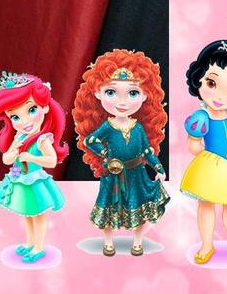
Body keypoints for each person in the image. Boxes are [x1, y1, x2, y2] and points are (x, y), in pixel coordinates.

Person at [71, 49, 170, 257]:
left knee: (139, 208)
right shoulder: (107, 126)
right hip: (113, 174)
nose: (122, 102)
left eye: (132, 93)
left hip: (137, 174)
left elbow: (147, 151)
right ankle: (108, 242)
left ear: (145, 95)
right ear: (97, 93)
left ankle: (137, 242)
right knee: (108, 208)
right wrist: (106, 155)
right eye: (111, 92)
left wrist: (158, 168)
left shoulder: (139, 128)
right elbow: (90, 140)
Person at [179, 39, 227, 264]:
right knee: (206, 205)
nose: (220, 97)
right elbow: (193, 146)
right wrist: (200, 147)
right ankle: (206, 245)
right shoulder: (201, 118)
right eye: (212, 84)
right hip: (211, 167)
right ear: (199, 78)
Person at [0, 72, 67, 264]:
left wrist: (31, 157)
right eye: (15, 117)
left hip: (35, 181)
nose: (24, 121)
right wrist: (14, 151)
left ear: (45, 107)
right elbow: (7, 159)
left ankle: (39, 246)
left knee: (38, 215)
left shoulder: (42, 140)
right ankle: (30, 242)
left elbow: (51, 161)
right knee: (27, 213)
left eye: (31, 110)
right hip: (21, 181)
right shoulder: (19, 137)